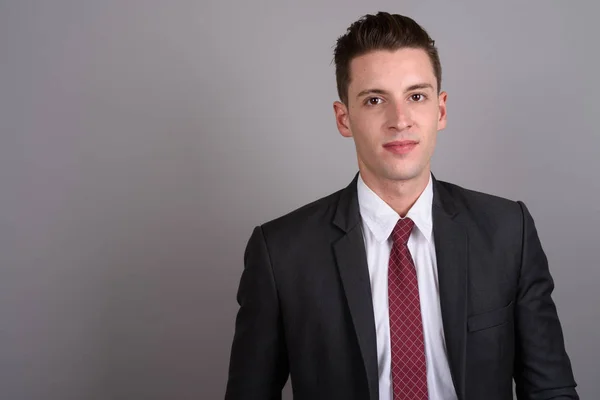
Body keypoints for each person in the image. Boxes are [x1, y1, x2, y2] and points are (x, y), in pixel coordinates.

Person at [224, 11, 578, 400]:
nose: (400, 119)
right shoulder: (280, 253)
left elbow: (551, 390)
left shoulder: (509, 232)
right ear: (344, 119)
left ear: (440, 110)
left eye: (416, 96)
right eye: (375, 100)